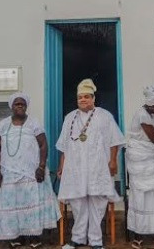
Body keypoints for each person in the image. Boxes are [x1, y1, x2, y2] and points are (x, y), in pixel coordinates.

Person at [56, 79, 125, 249]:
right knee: (78, 205)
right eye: (80, 97)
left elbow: (115, 140)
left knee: (97, 203)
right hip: (76, 169)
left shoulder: (104, 115)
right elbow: (64, 146)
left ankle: (96, 241)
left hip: (98, 168)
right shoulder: (69, 117)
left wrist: (113, 161)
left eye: (87, 97)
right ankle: (77, 239)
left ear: (93, 98)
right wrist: (61, 166)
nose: (83, 100)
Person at [0, 93, 60, 248]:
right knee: (13, 204)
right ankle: (16, 237)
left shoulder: (34, 123)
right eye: (17, 104)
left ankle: (34, 237)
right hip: (8, 172)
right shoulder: (3, 124)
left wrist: (41, 166)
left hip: (31, 172)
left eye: (22, 104)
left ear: (26, 106)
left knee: (32, 202)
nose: (20, 106)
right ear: (12, 107)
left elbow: (44, 144)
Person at [124, 86, 154, 248]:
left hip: (149, 161)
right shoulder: (142, 115)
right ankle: (138, 235)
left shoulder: (149, 114)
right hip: (141, 162)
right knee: (142, 196)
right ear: (152, 105)